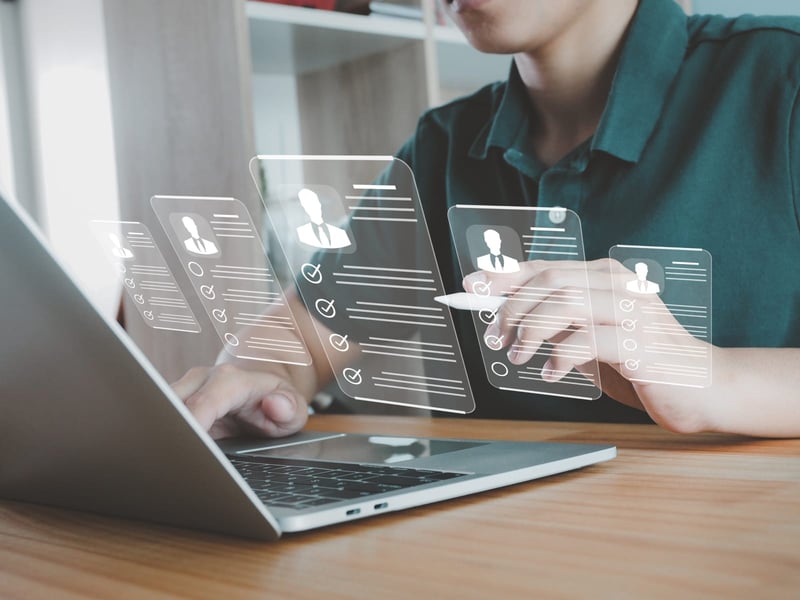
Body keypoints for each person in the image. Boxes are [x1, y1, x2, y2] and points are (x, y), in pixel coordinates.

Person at [173, 0, 800, 439]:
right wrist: (250, 375)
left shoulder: (782, 79)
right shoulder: (444, 144)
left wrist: (708, 376)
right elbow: (310, 330)